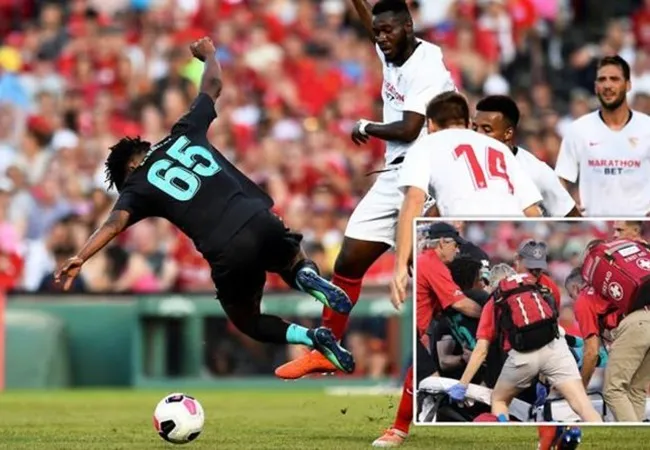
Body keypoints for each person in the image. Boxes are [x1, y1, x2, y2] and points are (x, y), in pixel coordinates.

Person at [54, 37, 356, 375]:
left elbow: (113, 224)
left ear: (128, 170)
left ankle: (314, 337)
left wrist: (82, 255)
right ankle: (308, 280)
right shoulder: (183, 133)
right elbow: (213, 85)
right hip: (258, 217)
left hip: (226, 248)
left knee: (248, 319)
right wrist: (210, 55)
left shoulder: (137, 185)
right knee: (293, 261)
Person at [275, 0, 457, 380]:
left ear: (408, 26)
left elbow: (409, 128)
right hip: (396, 172)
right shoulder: (392, 45)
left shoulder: (425, 64)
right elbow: (368, 19)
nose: (381, 38)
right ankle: (327, 349)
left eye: (388, 31)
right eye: (377, 33)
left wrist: (366, 127)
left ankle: (476, 345)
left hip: (431, 170)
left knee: (426, 272)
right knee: (348, 261)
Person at [390, 91, 543, 307]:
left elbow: (414, 199)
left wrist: (399, 268)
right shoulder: (500, 147)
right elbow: (532, 210)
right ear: (468, 123)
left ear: (430, 125)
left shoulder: (426, 145)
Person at [371, 222, 483, 447]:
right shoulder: (432, 264)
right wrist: (489, 314)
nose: (457, 250)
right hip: (415, 331)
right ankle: (400, 430)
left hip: (418, 332)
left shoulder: (426, 260)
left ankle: (414, 422)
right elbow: (461, 304)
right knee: (428, 381)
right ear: (443, 242)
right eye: (455, 245)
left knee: (424, 380)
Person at [448, 268, 603, 423]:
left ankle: (505, 434)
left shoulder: (495, 300)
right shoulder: (535, 288)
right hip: (555, 348)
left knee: (499, 400)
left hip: (523, 356)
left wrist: (462, 385)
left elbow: (481, 350)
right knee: (583, 406)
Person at [555, 55, 650, 216]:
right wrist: (567, 206)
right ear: (595, 87)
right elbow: (561, 177)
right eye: (602, 80)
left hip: (639, 221)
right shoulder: (578, 129)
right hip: (594, 219)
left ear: (628, 85)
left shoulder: (647, 127)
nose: (607, 85)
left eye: (614, 79)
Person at [472, 95, 580, 217]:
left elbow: (572, 217)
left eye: (486, 130)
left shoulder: (537, 172)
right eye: (474, 128)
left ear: (508, 133)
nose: (477, 135)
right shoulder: (461, 162)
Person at [580, 238, 650, 422]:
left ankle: (635, 439)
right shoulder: (627, 274)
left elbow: (592, 352)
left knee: (613, 390)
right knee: (636, 389)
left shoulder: (584, 297)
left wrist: (580, 390)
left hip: (637, 324)